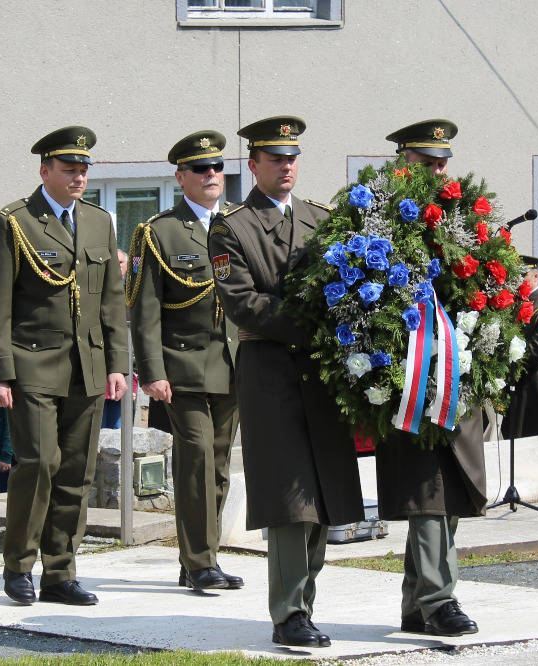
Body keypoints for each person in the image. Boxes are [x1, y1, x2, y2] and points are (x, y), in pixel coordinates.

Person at [208, 116, 363, 647]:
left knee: (324, 499)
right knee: (291, 502)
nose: (287, 166)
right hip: (271, 375)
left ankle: (304, 603)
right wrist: (319, 319)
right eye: (276, 158)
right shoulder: (233, 226)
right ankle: (289, 613)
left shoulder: (321, 219)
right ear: (253, 165)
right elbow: (242, 304)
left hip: (321, 377)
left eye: (292, 157)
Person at [0, 126, 129, 606]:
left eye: (83, 169)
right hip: (33, 365)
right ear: (45, 171)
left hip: (86, 365)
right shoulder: (15, 221)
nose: (78, 176)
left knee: (77, 473)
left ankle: (60, 571)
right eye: (69, 169)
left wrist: (116, 364)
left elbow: (110, 301)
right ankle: (18, 565)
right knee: (40, 463)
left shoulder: (99, 221)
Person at [377, 119, 484, 637]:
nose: (439, 170)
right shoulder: (377, 216)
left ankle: (416, 605)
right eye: (427, 161)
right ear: (403, 163)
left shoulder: (462, 217)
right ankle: (440, 601)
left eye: (443, 161)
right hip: (410, 378)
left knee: (454, 488)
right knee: (428, 493)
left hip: (460, 372)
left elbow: (486, 282)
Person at [128, 131, 242, 593]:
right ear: (181, 177)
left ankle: (202, 556)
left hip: (233, 363)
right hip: (183, 367)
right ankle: (199, 562)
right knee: (194, 457)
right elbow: (145, 308)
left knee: (217, 465)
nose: (211, 175)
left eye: (216, 167)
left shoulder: (239, 222)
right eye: (200, 169)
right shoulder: (159, 232)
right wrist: (152, 372)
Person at [502, 255, 538, 438]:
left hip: (534, 380)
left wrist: (512, 362)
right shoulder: (514, 303)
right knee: (512, 432)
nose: (519, 281)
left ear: (535, 277)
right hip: (515, 379)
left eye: (524, 276)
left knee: (535, 433)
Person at [101, 249, 130, 430]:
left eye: (120, 262)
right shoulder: (100, 289)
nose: (117, 267)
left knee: (119, 431)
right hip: (102, 370)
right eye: (114, 262)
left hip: (125, 371)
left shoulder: (132, 289)